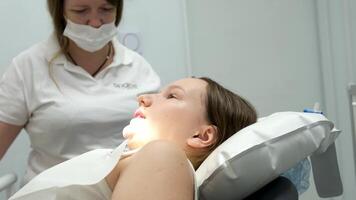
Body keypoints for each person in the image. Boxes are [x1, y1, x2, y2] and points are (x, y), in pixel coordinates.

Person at [9, 77, 257, 200]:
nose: (143, 98)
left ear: (202, 135)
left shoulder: (164, 157)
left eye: (172, 96)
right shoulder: (134, 159)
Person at [0, 0, 160, 184]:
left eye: (106, 9)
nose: (95, 22)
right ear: (60, 12)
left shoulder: (138, 68)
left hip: (121, 190)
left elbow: (161, 142)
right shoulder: (28, 67)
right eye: (81, 10)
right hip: (51, 193)